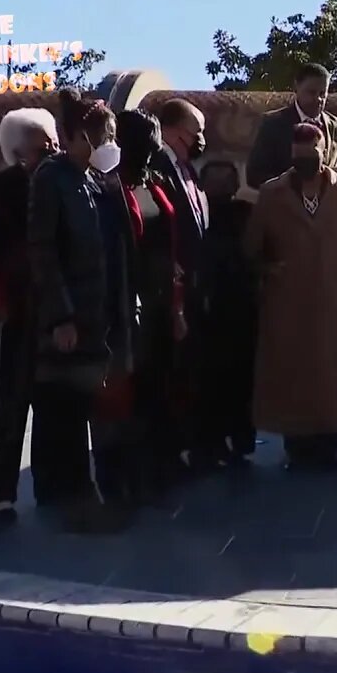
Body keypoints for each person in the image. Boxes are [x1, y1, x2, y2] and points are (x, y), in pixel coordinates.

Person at [27, 87, 129, 533]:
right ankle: (73, 497)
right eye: (99, 135)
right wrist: (60, 316)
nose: (106, 143)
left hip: (94, 312)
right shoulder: (52, 179)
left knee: (81, 403)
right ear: (73, 136)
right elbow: (43, 252)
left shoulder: (88, 180)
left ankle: (73, 492)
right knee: (65, 411)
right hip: (69, 318)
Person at [243, 123, 337, 469]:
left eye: (312, 154)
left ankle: (331, 446)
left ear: (324, 150)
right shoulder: (272, 194)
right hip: (287, 301)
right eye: (298, 156)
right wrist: (269, 271)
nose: (305, 162)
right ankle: (297, 448)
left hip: (332, 299)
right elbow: (252, 247)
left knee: (330, 372)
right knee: (292, 371)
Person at [0, 107, 59, 526]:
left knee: (52, 405)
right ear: (19, 151)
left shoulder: (60, 187)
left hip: (52, 313)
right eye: (45, 145)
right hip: (9, 318)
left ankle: (51, 485)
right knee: (6, 408)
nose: (53, 150)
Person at [89, 108, 182, 507]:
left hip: (160, 300)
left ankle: (155, 466)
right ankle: (117, 477)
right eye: (144, 142)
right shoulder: (107, 188)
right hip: (127, 301)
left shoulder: (156, 183)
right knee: (122, 394)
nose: (150, 151)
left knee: (156, 386)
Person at [151, 98, 210, 474]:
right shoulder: (158, 169)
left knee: (189, 372)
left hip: (194, 289)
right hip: (169, 292)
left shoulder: (188, 169)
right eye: (195, 132)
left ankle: (186, 446)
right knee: (169, 375)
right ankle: (167, 454)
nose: (201, 139)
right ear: (173, 132)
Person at [199, 160, 257, 465]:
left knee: (241, 379)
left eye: (226, 183)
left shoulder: (247, 215)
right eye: (215, 183)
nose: (220, 189)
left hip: (242, 308)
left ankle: (240, 436)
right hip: (209, 310)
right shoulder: (197, 213)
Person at [246, 63, 337, 189]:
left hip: (325, 206)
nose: (318, 99)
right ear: (296, 88)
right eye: (311, 92)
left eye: (322, 94)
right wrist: (289, 188)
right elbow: (254, 175)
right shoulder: (272, 123)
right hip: (285, 205)